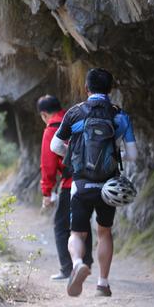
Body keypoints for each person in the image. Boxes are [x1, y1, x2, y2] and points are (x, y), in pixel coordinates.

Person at [51, 68, 137, 297]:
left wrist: (74, 151)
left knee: (77, 234)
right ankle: (103, 283)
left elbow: (55, 147)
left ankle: (78, 263)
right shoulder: (120, 116)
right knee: (104, 232)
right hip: (108, 187)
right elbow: (133, 154)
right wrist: (115, 152)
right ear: (110, 89)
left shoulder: (74, 113)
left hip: (80, 184)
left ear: (86, 88)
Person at [37, 95, 93, 281]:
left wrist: (47, 192)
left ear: (44, 114)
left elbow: (48, 164)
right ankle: (87, 262)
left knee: (61, 226)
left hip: (71, 184)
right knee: (82, 221)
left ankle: (68, 268)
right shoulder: (74, 119)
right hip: (91, 178)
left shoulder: (52, 129)